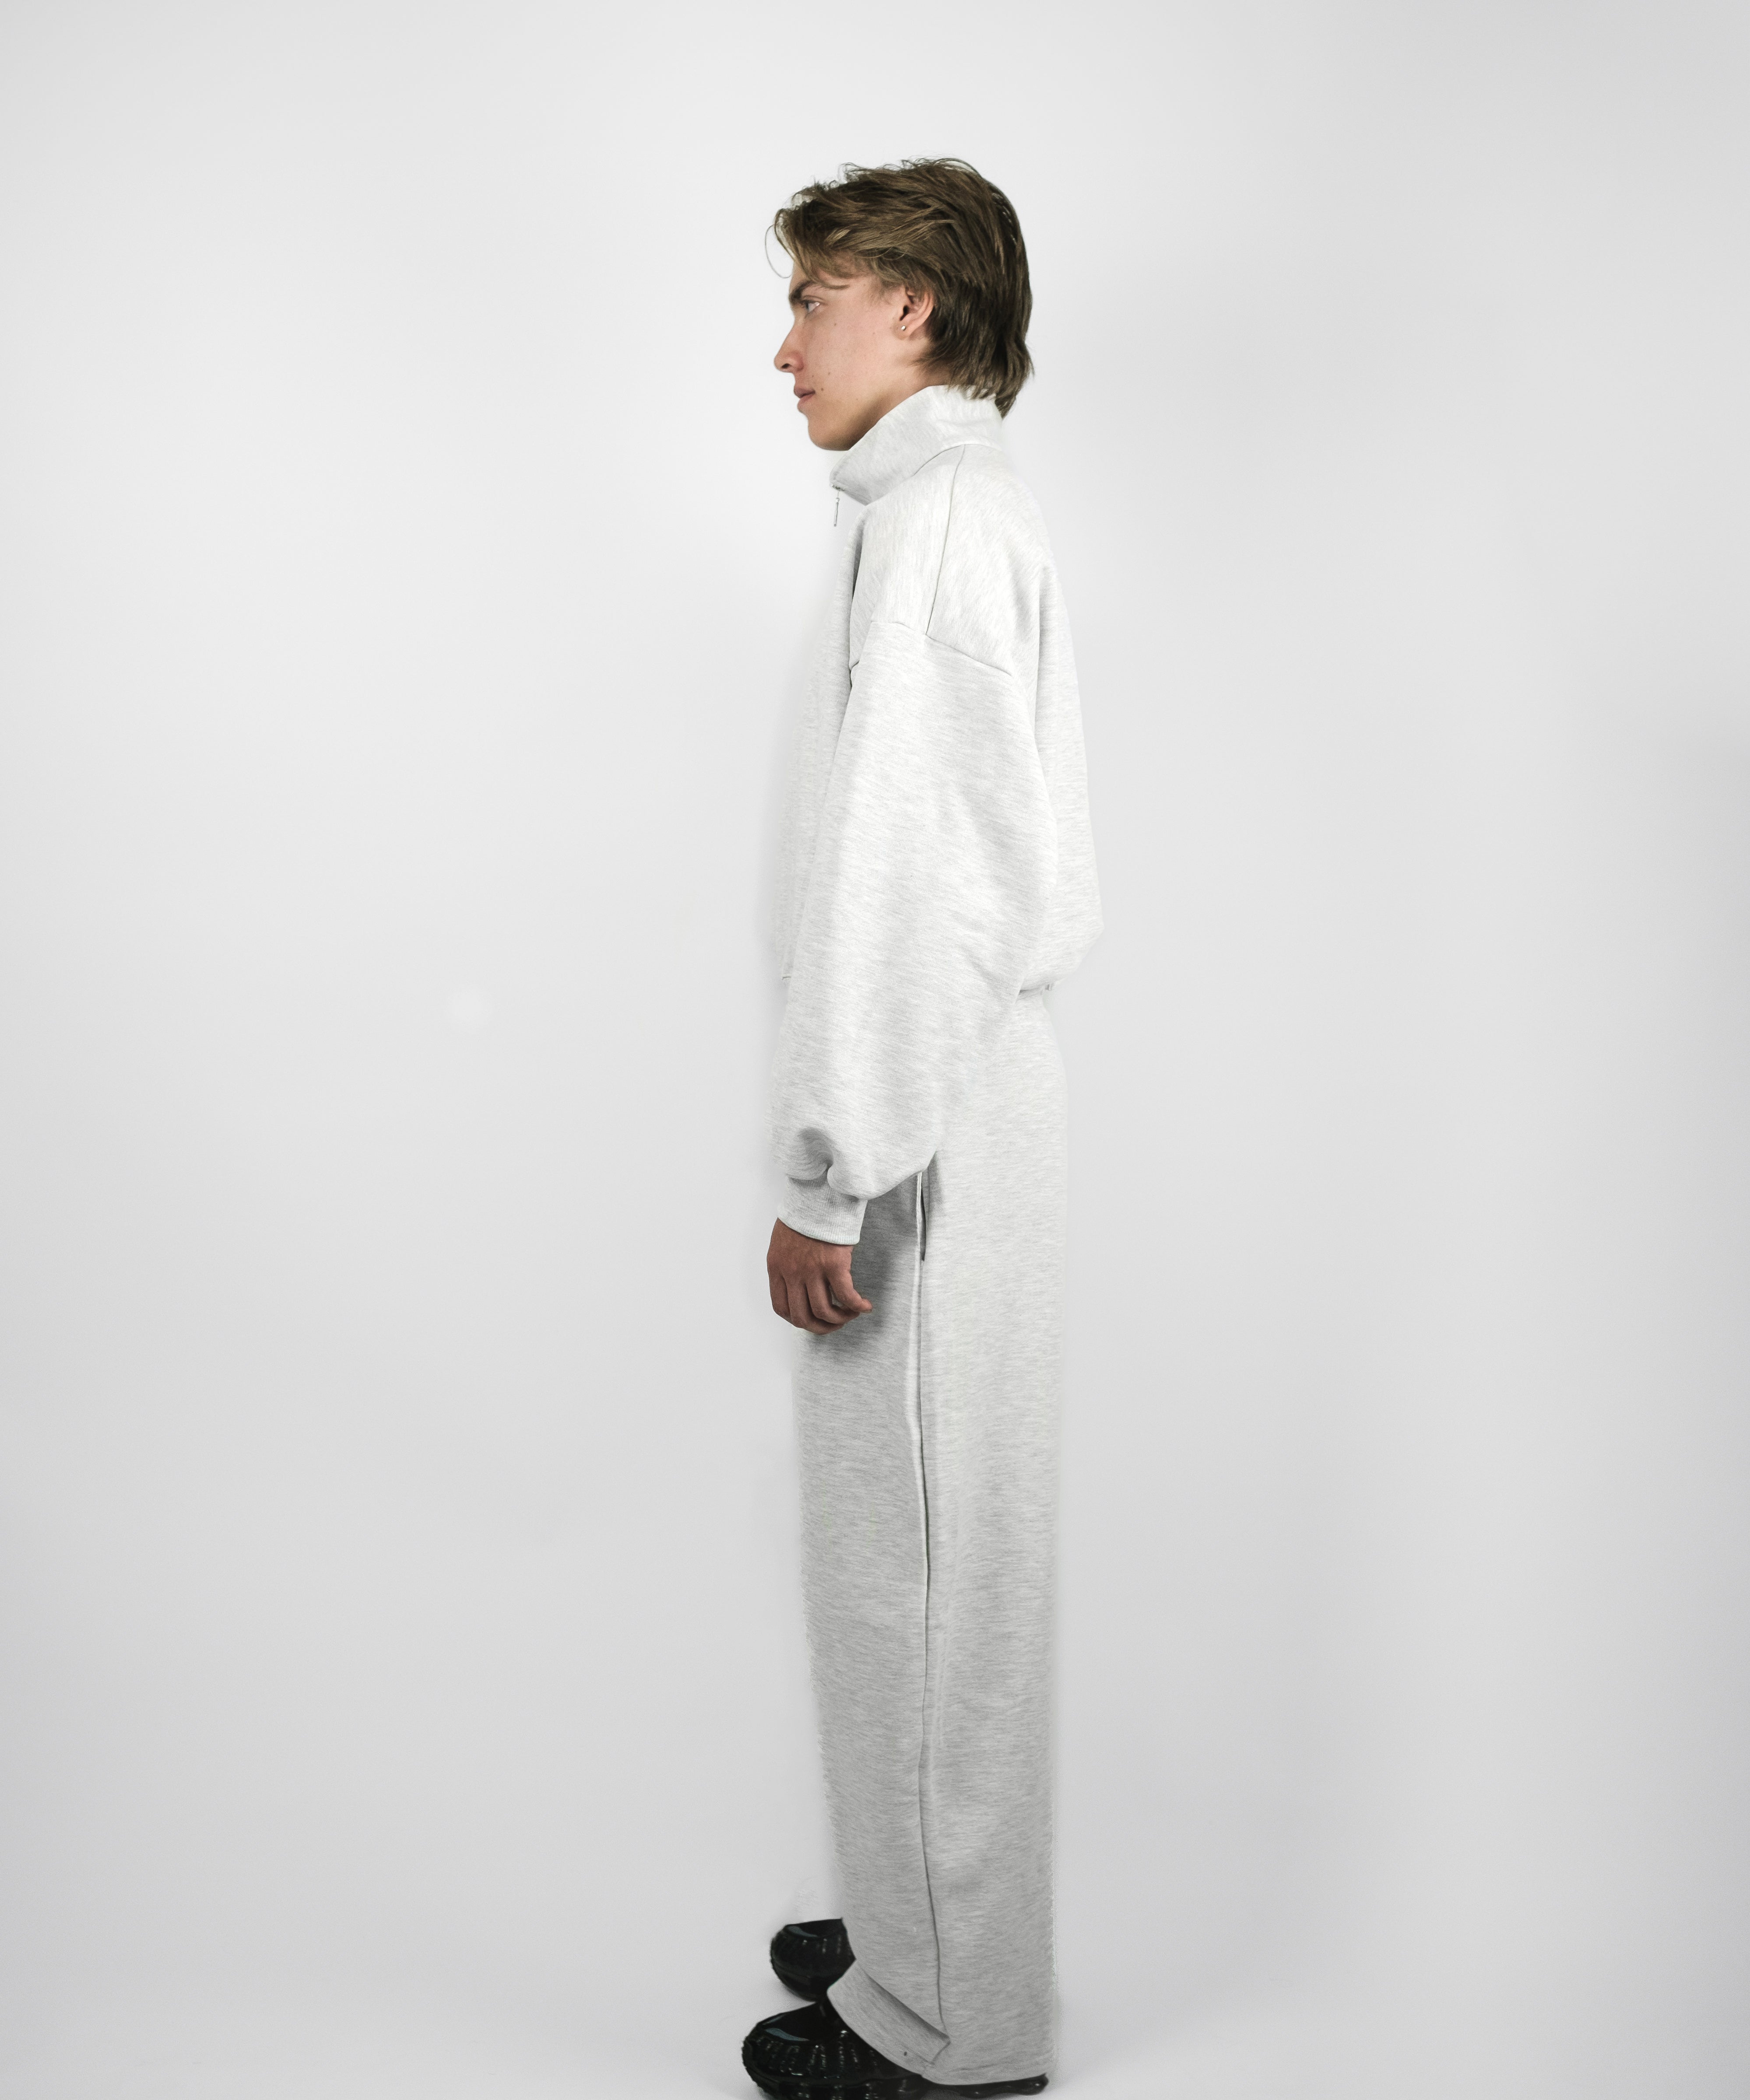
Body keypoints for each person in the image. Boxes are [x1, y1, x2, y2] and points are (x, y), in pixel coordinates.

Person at [742, 159, 1101, 2100]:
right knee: (916, 1555)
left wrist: (833, 1166)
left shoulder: (944, 526)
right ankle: (920, 1929)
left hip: (926, 1120)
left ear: (917, 306)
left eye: (816, 299)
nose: (783, 345)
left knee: (932, 1572)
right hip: (949, 1094)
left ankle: (952, 2022)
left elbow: (917, 883)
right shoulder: (932, 514)